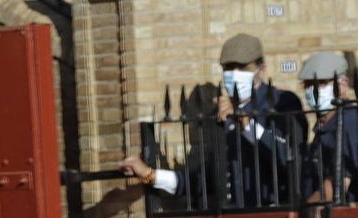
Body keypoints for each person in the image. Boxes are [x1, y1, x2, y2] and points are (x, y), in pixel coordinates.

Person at [119, 33, 307, 209]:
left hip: (275, 215)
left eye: (242, 67)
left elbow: (290, 159)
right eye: (228, 68)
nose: (234, 73)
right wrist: (150, 175)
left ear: (261, 69)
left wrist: (246, 123)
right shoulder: (222, 114)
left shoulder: (283, 102)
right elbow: (208, 179)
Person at [298, 52, 358, 205]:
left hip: (349, 217)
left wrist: (301, 213)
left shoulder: (349, 124)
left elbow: (336, 187)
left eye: (321, 83)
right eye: (308, 84)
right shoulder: (327, 124)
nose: (313, 89)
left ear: (342, 85)